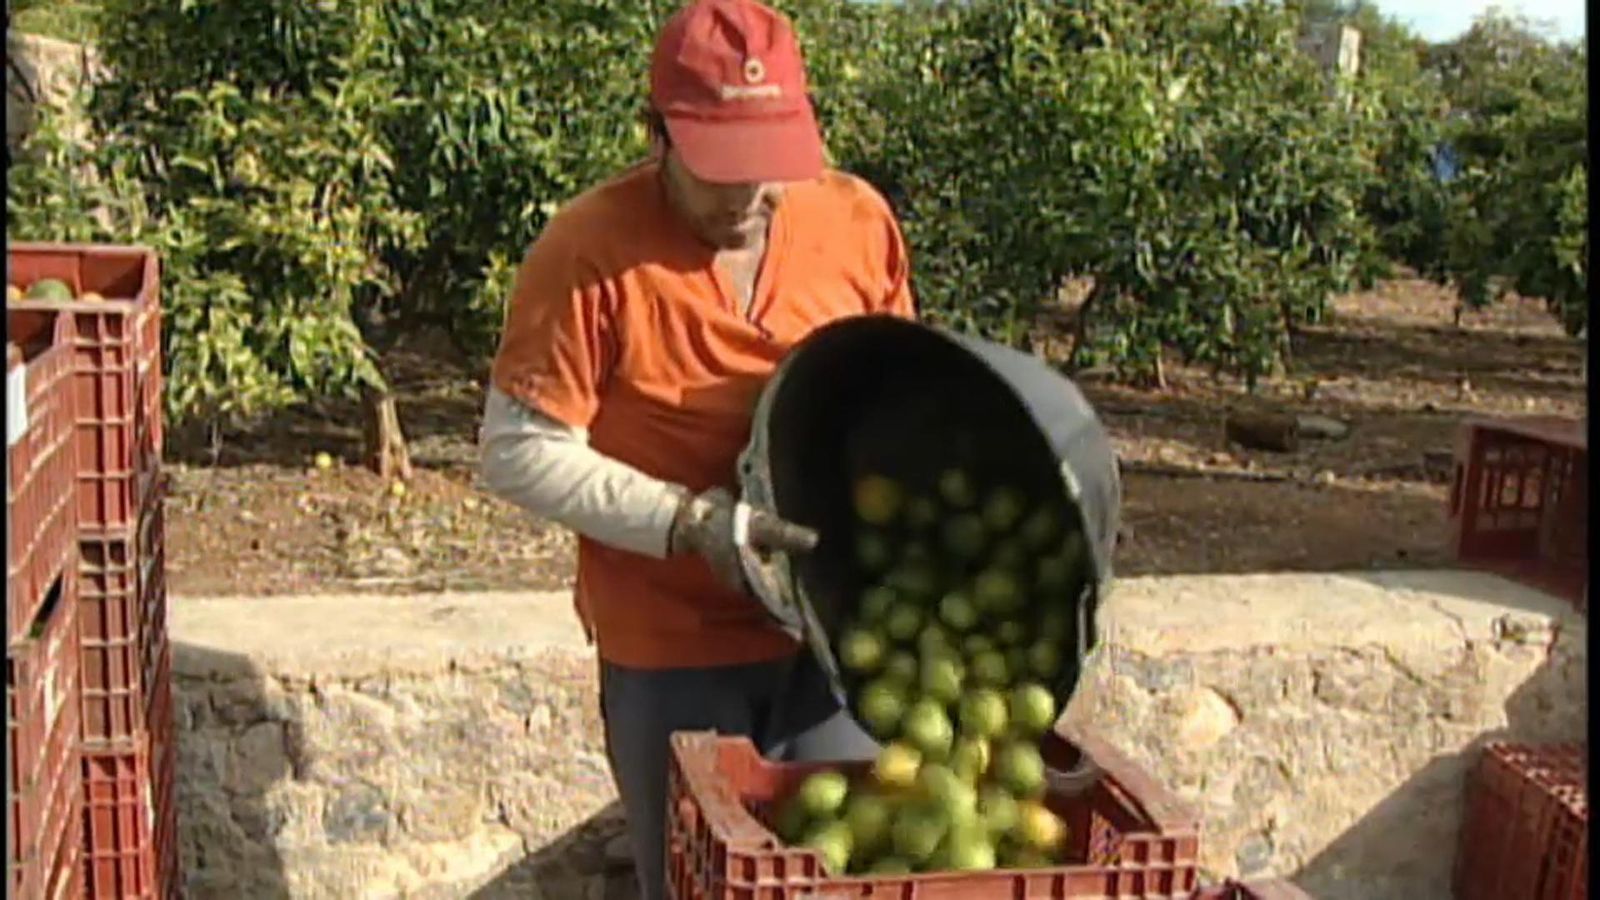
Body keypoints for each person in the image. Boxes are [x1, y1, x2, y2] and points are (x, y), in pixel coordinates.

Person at [477, 0, 916, 895]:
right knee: (694, 877)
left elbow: (896, 392)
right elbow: (517, 449)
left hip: (833, 633)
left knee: (841, 871)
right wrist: (689, 523)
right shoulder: (589, 250)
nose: (748, 195)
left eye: (769, 164)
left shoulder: (855, 223)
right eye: (720, 170)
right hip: (671, 644)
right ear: (659, 135)